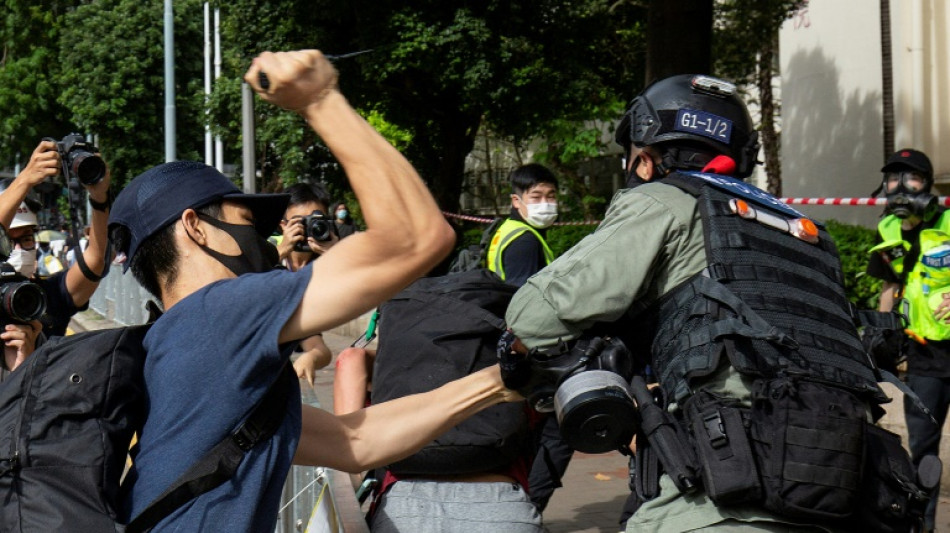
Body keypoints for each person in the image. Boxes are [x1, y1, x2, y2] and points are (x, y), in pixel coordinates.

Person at [109, 49, 519, 531]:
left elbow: (355, 443)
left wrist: (502, 380)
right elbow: (418, 238)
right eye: (245, 222)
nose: (265, 241)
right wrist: (320, 98)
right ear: (195, 227)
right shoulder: (221, 312)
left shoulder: (179, 344)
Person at [502, 74, 901, 531]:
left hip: (727, 486)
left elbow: (537, 315)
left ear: (646, 160)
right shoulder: (808, 234)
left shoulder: (665, 200)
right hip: (840, 480)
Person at [866, 148, 948, 533]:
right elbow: (891, 286)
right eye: (893, 179)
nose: (900, 187)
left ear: (927, 184)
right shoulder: (888, 230)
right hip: (924, 356)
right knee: (923, 452)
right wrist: (883, 332)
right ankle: (923, 526)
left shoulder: (948, 220)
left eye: (910, 178)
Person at [0, 140, 112, 373]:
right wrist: (25, 179)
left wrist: (100, 199)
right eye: (6, 240)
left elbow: (95, 262)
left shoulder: (44, 298)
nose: (17, 249)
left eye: (26, 238)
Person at [276, 182, 337, 385]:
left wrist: (338, 256)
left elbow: (318, 347)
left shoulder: (333, 259)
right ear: (283, 224)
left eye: (317, 220)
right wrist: (279, 252)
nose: (311, 228)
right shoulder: (266, 252)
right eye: (301, 222)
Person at [486, 163, 558, 287]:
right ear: (516, 201)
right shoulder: (524, 241)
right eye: (536, 197)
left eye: (551, 196)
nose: (545, 204)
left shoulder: (509, 227)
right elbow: (522, 298)